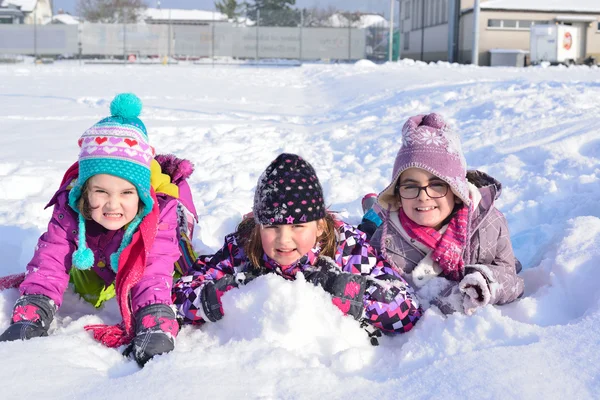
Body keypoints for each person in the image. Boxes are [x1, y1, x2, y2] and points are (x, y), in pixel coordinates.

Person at [0, 93, 196, 367]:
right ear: (84, 190)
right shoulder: (69, 209)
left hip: (152, 258)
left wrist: (154, 314)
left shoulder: (157, 215)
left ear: (141, 195)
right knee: (83, 279)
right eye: (101, 191)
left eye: (127, 193)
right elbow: (51, 260)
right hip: (98, 260)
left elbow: (154, 269)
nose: (113, 205)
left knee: (169, 268)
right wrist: (35, 305)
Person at [173, 153, 422, 342]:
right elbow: (181, 292)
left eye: (298, 227)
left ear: (320, 226)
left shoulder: (346, 247)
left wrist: (347, 291)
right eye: (272, 227)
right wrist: (228, 292)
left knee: (369, 228)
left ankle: (374, 210)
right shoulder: (243, 247)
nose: (284, 239)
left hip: (349, 236)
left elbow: (406, 308)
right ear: (259, 227)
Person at [368, 113, 524, 315]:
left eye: (436, 185)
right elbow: (386, 289)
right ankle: (370, 205)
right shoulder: (386, 240)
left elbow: (511, 277)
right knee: (368, 223)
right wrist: (447, 298)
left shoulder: (490, 224)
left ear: (457, 192)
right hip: (381, 220)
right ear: (397, 194)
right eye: (410, 186)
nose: (424, 197)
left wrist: (485, 280)